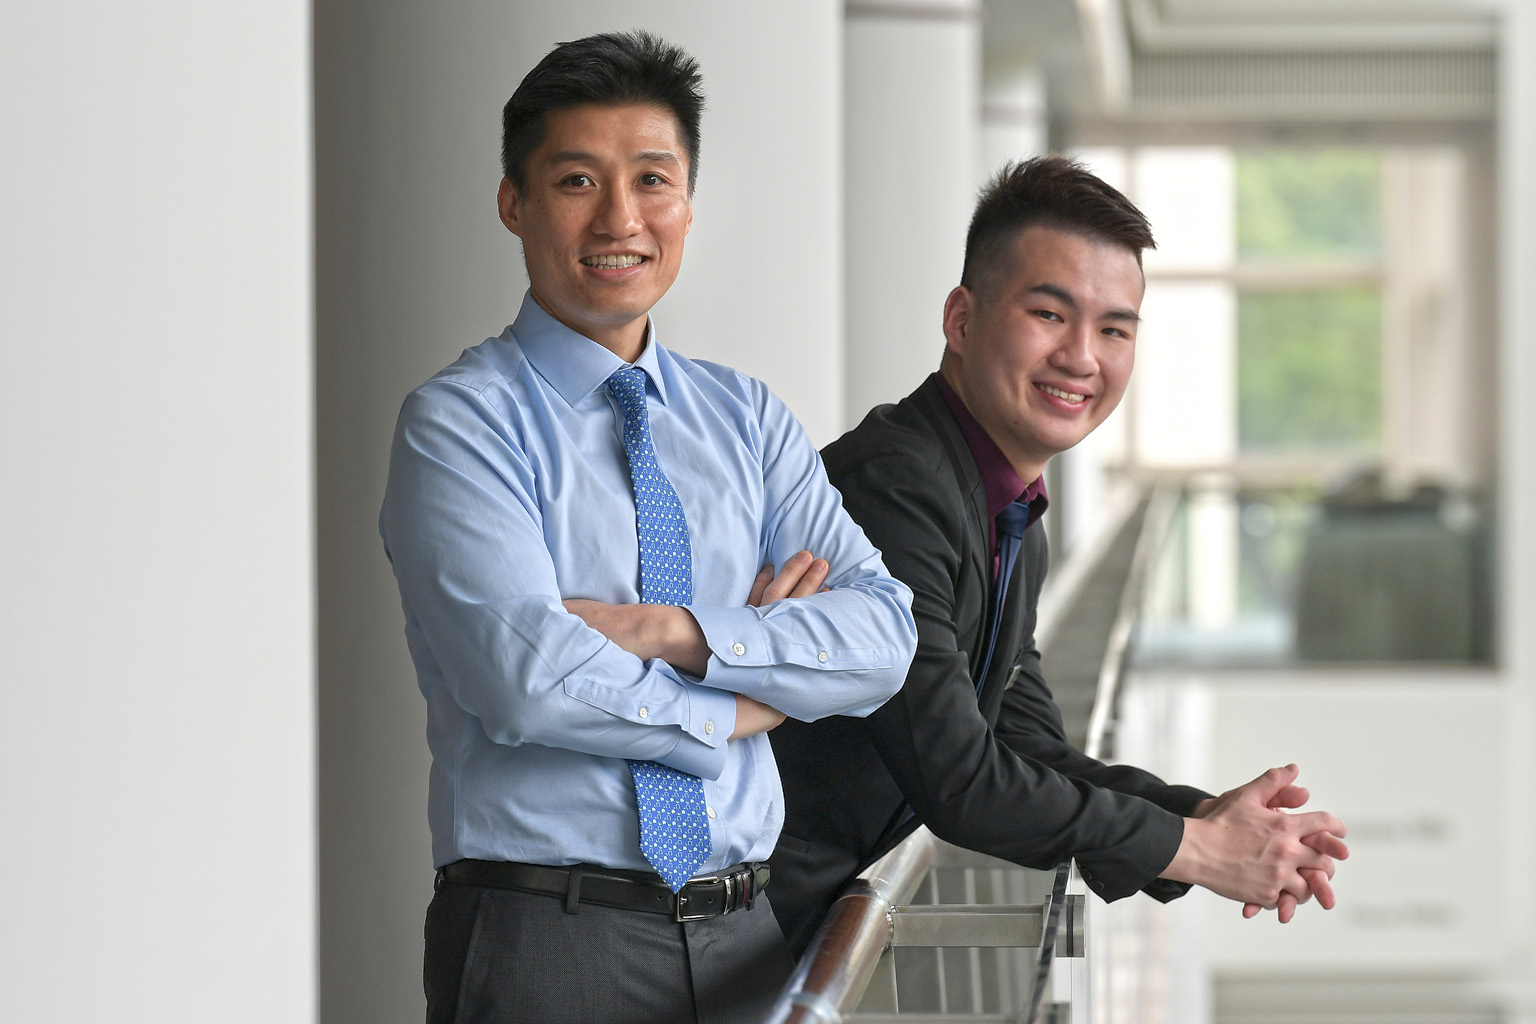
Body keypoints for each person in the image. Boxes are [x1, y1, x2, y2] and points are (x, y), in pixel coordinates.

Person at [378, 31, 917, 1024]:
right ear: (515, 203)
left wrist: (683, 634)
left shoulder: (745, 420)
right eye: (578, 179)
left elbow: (884, 636)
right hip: (548, 939)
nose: (621, 218)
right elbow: (525, 679)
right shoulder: (459, 422)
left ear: (688, 204)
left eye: (652, 180)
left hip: (746, 931)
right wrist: (749, 703)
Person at [767, 155, 1349, 956]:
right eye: (1050, 314)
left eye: (1114, 328)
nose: (1083, 356)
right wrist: (1198, 851)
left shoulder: (1007, 510)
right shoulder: (895, 491)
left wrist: (1204, 820)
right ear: (962, 320)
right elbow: (962, 781)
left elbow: (1024, 746)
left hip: (802, 925)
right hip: (737, 928)